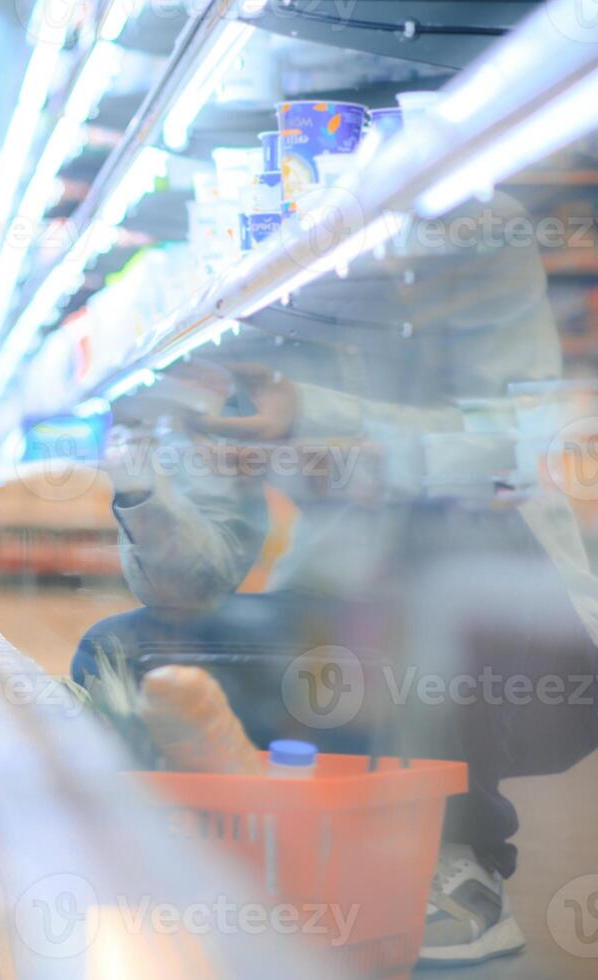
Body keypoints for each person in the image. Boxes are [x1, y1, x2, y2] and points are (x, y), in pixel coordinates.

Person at [75, 191, 598, 969]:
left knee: (446, 540)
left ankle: (460, 854)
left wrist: (312, 419)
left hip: (519, 644)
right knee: (118, 649)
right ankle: (190, 858)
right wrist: (144, 489)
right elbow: (189, 586)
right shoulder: (246, 301)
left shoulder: (476, 235)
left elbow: (511, 453)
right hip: (338, 632)